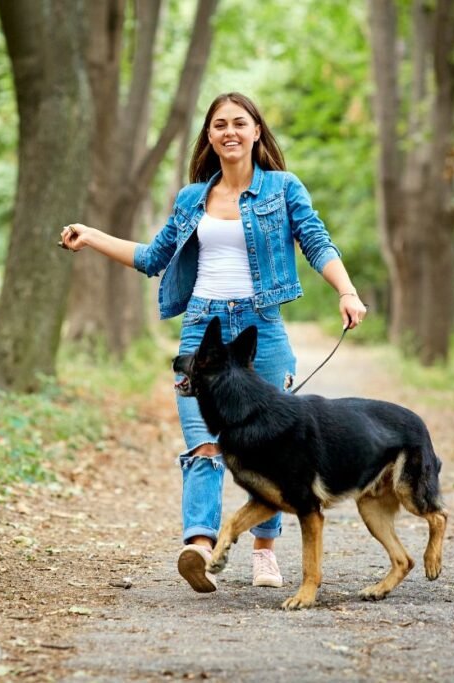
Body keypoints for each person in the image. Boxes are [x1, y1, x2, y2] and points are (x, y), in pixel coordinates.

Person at [59, 92, 367, 594]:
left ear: (256, 132)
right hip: (201, 330)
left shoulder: (284, 189)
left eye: (239, 123)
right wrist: (92, 236)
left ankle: (264, 554)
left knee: (275, 449)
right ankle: (200, 547)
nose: (229, 131)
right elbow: (152, 258)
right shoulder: (191, 199)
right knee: (204, 444)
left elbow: (316, 241)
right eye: (219, 124)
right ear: (209, 136)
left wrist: (347, 291)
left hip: (260, 330)